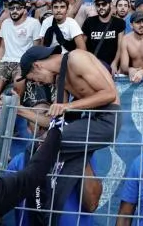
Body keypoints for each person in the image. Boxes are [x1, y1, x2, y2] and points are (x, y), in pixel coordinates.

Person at [19, 45, 121, 225]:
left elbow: (110, 93)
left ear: (37, 66)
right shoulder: (60, 79)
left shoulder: (76, 58)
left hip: (106, 120)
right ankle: (49, 220)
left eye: (32, 79)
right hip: (87, 122)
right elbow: (56, 123)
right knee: (65, 171)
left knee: (41, 147)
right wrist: (21, 112)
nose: (38, 83)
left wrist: (69, 106)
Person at [0, 0, 42, 133]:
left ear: (24, 9)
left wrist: (30, 66)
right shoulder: (6, 23)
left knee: (18, 85)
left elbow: (36, 48)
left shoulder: (33, 23)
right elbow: (3, 48)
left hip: (23, 61)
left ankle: (11, 122)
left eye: (18, 8)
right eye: (12, 8)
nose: (14, 11)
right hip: (6, 61)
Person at [81, 0, 126, 71]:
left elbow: (120, 46)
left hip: (111, 66)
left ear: (111, 5)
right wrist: (86, 62)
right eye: (98, 5)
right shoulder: (89, 21)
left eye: (104, 4)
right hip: (93, 65)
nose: (101, 7)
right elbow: (82, 45)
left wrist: (115, 63)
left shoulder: (119, 22)